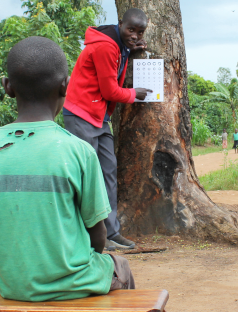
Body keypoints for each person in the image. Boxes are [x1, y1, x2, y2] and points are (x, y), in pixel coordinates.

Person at [0, 37, 135, 302]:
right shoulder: (78, 150)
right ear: (65, 86)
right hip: (74, 281)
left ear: (7, 87)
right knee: (122, 268)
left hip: (15, 286)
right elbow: (98, 235)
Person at [63, 8, 152, 250]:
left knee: (108, 173)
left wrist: (129, 53)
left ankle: (110, 232)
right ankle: (87, 235)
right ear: (120, 24)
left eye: (139, 32)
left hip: (100, 116)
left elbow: (114, 68)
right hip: (81, 113)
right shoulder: (105, 46)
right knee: (86, 176)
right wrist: (135, 94)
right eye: (130, 30)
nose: (134, 35)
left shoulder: (119, 45)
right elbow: (110, 91)